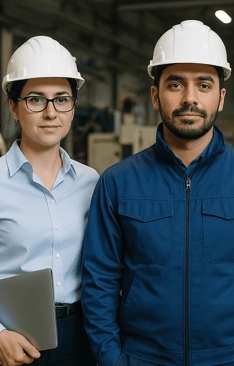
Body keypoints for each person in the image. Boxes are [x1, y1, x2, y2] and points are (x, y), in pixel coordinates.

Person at [81, 20, 234, 366]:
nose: (190, 98)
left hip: (231, 358)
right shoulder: (118, 182)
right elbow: (99, 279)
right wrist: (112, 359)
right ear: (155, 95)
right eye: (175, 84)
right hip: (142, 357)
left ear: (221, 98)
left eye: (204, 85)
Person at [0, 36, 99, 366]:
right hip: (14, 337)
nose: (50, 113)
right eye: (35, 100)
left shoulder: (91, 182)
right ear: (14, 107)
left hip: (82, 333)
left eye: (62, 100)